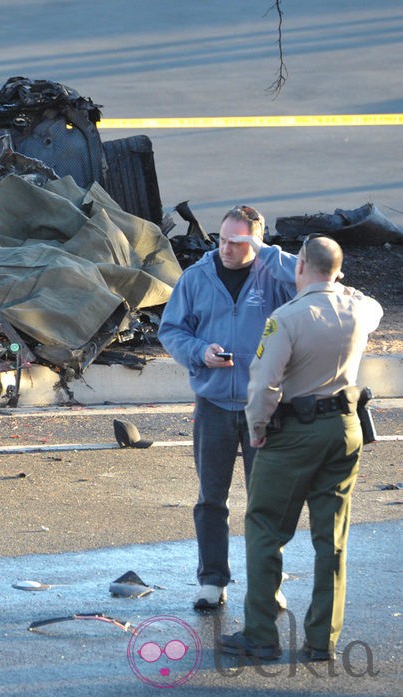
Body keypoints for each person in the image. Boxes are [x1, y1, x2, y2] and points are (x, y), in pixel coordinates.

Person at [220, 235, 383, 661]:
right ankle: (321, 640)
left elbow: (264, 383)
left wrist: (257, 428)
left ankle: (260, 634)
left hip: (294, 433)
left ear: (299, 268)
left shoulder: (287, 318)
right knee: (332, 537)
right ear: (338, 272)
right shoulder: (358, 309)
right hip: (345, 428)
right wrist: (339, 283)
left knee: (265, 528)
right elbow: (373, 304)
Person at [158, 205, 298, 609]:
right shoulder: (196, 277)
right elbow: (172, 330)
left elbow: (316, 279)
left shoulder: (274, 274)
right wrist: (202, 352)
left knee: (266, 501)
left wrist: (267, 254)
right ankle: (212, 580)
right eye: (222, 240)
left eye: (238, 242)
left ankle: (267, 584)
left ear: (256, 241)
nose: (227, 249)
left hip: (264, 405)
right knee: (211, 499)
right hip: (214, 404)